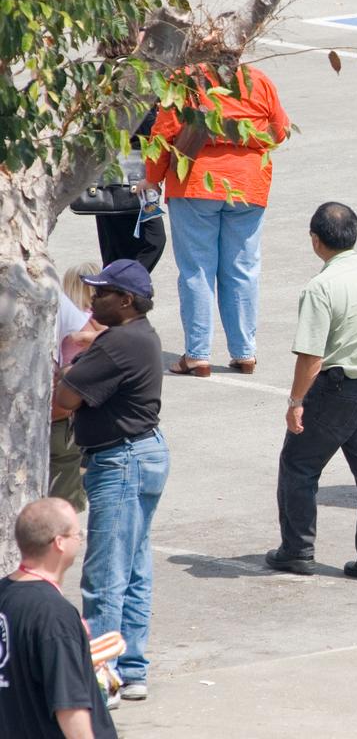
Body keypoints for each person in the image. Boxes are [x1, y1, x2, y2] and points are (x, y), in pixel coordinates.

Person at [268, 203, 357, 584]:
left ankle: (297, 549)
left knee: (299, 464)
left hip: (335, 390)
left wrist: (296, 402)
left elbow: (311, 357)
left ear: (316, 241)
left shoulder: (321, 287)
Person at [53, 259, 168, 704]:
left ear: (126, 300)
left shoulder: (117, 343)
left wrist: (71, 367)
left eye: (101, 293)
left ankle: (102, 677)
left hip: (122, 461)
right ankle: (132, 668)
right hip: (143, 453)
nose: (93, 299)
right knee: (134, 567)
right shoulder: (139, 335)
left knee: (104, 575)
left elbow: (65, 398)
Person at [144, 64, 291, 377]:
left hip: (195, 182)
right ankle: (245, 352)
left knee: (197, 269)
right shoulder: (258, 80)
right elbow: (279, 132)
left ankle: (198, 355)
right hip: (248, 184)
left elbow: (163, 134)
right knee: (243, 269)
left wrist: (152, 178)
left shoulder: (185, 80)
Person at [0, 498, 118, 739]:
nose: (80, 540)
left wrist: (81, 659)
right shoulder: (54, 615)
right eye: (78, 534)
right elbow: (69, 707)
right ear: (59, 543)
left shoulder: (6, 593)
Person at [95, 106, 167, 273]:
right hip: (126, 178)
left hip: (127, 179)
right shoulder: (135, 98)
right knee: (150, 240)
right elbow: (149, 128)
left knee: (119, 247)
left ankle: (120, 283)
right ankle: (124, 283)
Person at [49, 286, 101, 512]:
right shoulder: (45, 289)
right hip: (54, 417)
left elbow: (86, 340)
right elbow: (88, 341)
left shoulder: (49, 292)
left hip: (54, 418)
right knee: (62, 512)